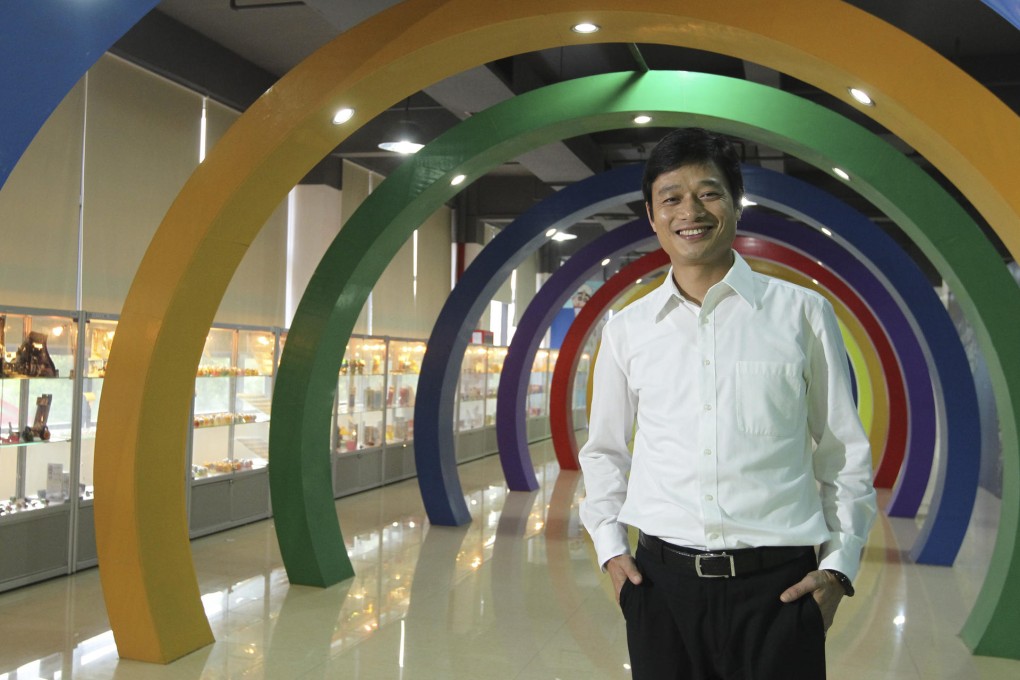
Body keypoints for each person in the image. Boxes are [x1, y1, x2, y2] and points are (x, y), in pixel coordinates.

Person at [578, 127, 877, 679]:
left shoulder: (802, 314)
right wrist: (610, 550)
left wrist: (838, 569)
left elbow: (843, 452)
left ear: (737, 204)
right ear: (652, 216)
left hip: (780, 591)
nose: (690, 211)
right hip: (661, 591)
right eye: (671, 198)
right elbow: (604, 453)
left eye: (709, 193)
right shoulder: (627, 329)